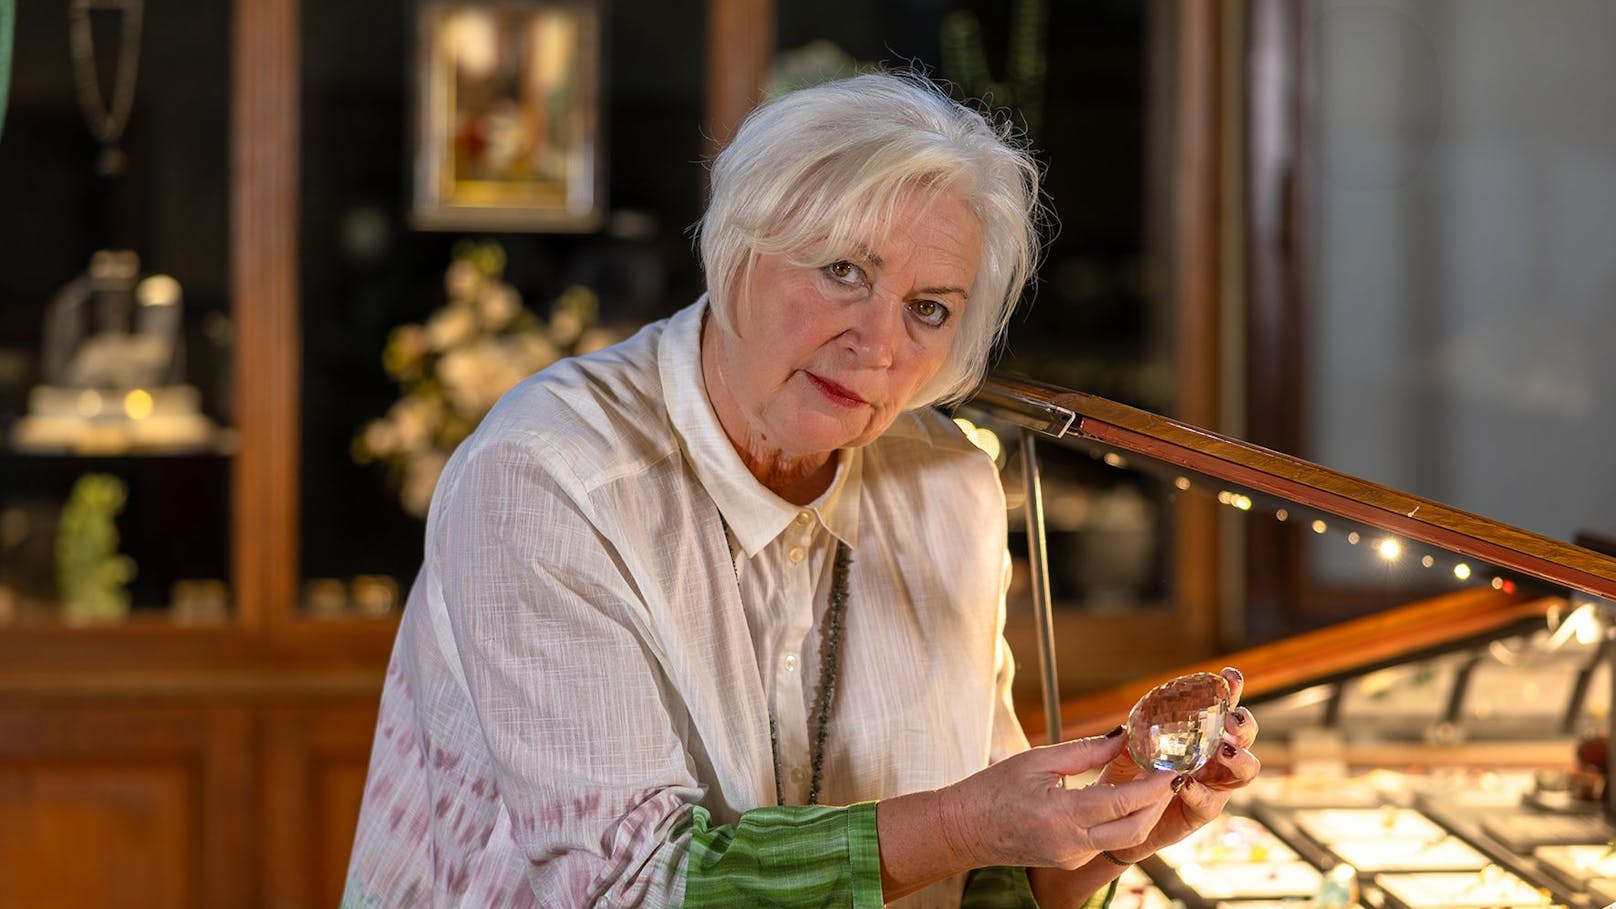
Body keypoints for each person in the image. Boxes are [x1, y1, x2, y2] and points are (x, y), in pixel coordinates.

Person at [343, 71, 1260, 908]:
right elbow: (629, 887)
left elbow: (976, 877)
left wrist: (1097, 841)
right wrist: (969, 821)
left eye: (929, 307)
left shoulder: (950, 489)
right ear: (740, 243)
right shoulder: (549, 477)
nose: (880, 343)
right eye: (843, 271)